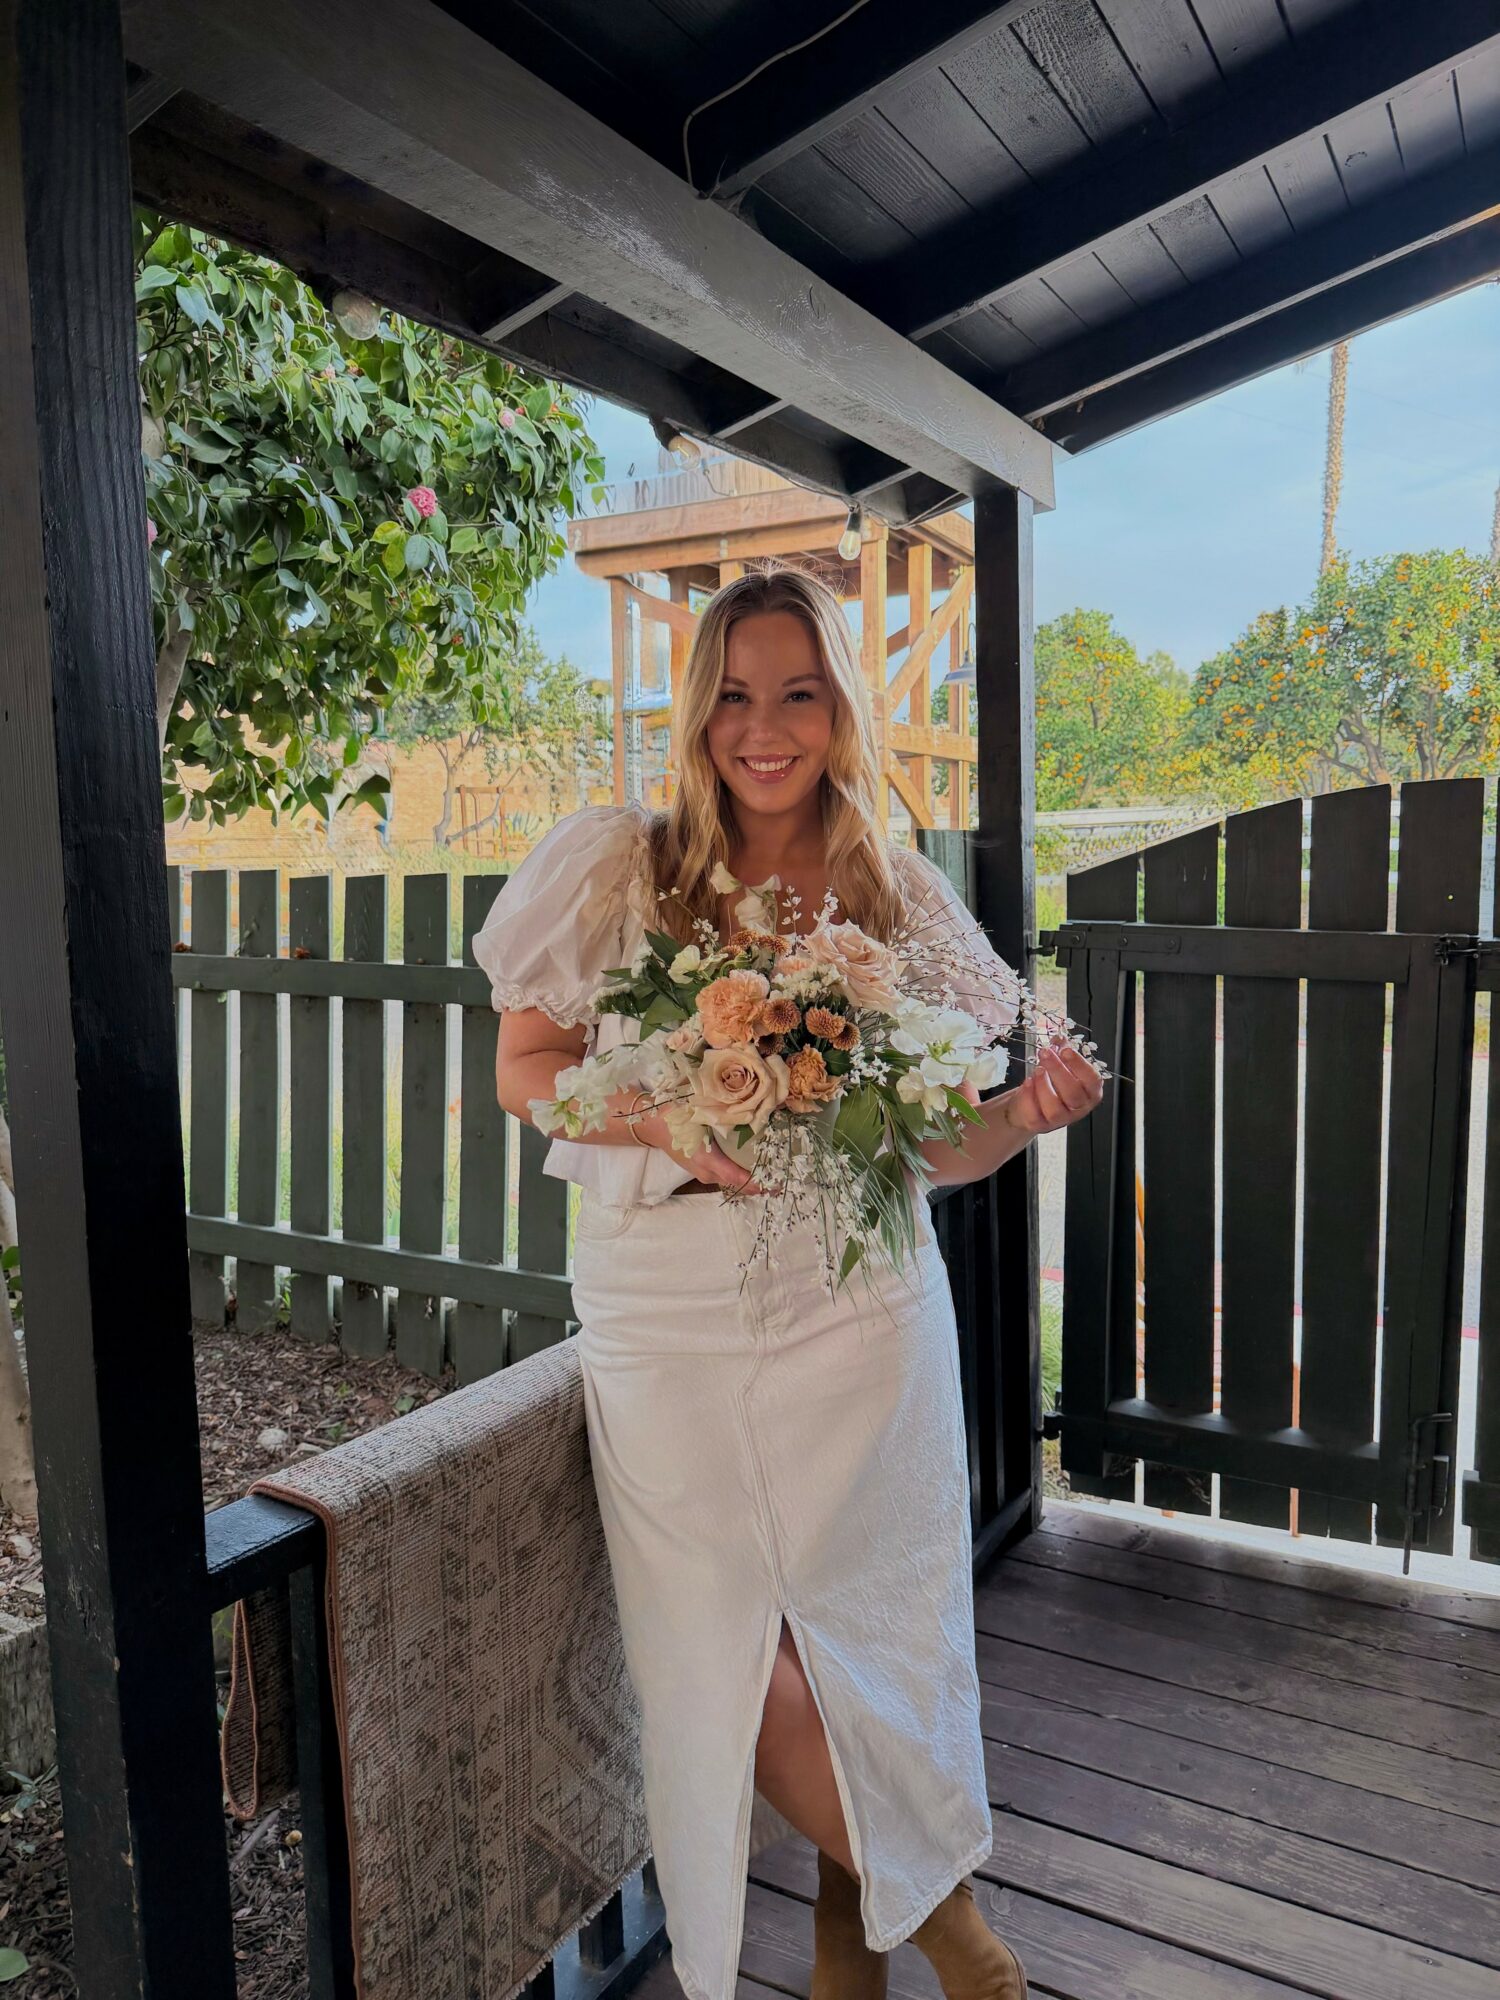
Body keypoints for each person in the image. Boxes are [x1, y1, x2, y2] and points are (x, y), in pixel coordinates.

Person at [474, 562, 1102, 2000]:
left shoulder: (896, 888)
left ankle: (849, 1961)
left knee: (860, 1650)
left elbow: (935, 1148)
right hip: (663, 1318)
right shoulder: (617, 865)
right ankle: (971, 1955)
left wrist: (1019, 1117)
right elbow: (521, 1072)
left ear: (838, 712)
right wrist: (662, 1113)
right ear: (699, 712)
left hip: (857, 1304)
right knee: (730, 1663)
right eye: (736, 697)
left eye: (799, 694)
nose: (765, 729)